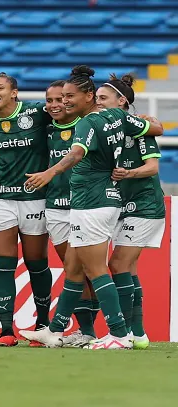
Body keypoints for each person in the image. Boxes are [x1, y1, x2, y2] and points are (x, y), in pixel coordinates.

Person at [20, 65, 163, 350]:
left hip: (92, 202)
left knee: (97, 270)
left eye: (71, 96)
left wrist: (50, 173)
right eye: (63, 97)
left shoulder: (87, 123)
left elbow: (76, 153)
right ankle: (55, 331)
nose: (65, 101)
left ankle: (119, 335)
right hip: (102, 201)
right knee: (74, 268)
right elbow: (152, 127)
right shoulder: (118, 115)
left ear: (88, 96)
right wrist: (153, 121)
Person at [0, 72, 54, 346]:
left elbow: (72, 115)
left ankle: (42, 324)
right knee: (3, 263)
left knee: (36, 263)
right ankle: (6, 330)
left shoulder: (37, 112)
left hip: (34, 197)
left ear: (14, 92)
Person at [98, 74, 164, 350]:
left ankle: (122, 333)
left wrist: (128, 173)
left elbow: (153, 167)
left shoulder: (138, 129)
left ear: (121, 101)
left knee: (117, 265)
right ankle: (138, 333)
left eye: (103, 98)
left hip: (145, 205)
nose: (98, 103)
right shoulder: (105, 129)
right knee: (130, 268)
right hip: (123, 205)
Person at [43, 81, 99, 348]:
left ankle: (93, 330)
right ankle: (86, 330)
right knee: (74, 269)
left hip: (87, 206)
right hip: (55, 208)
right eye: (51, 100)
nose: (57, 104)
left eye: (62, 98)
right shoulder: (45, 129)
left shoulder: (88, 125)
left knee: (88, 270)